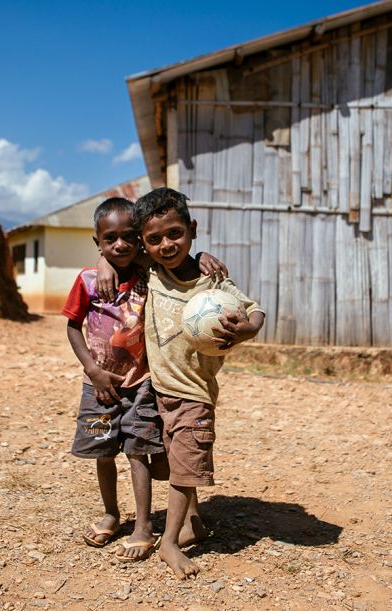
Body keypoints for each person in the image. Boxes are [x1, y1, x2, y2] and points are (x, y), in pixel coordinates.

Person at [111, 187, 265, 579]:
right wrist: (101, 261)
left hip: (194, 393)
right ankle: (192, 518)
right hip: (155, 389)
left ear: (192, 229)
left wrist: (245, 330)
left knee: (183, 470)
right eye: (155, 239)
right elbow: (118, 253)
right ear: (145, 243)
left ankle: (169, 543)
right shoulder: (151, 272)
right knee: (171, 464)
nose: (166, 245)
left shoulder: (212, 284)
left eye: (176, 234)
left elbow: (254, 310)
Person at [63, 197, 228, 561]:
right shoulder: (89, 279)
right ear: (98, 243)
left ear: (139, 241)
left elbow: (180, 260)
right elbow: (72, 326)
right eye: (110, 240)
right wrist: (92, 369)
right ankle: (111, 513)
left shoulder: (149, 273)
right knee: (102, 453)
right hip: (99, 385)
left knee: (140, 452)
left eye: (128, 238)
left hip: (142, 383)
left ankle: (142, 526)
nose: (120, 245)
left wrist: (201, 257)